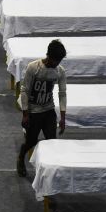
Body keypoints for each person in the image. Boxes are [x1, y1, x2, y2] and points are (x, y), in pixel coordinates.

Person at [16, 39, 67, 177]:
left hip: (48, 109)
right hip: (33, 110)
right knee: (31, 141)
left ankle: (47, 171)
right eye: (54, 60)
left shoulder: (60, 71)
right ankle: (21, 156)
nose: (56, 64)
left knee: (51, 140)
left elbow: (62, 94)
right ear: (48, 56)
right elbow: (25, 90)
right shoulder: (34, 68)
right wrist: (25, 114)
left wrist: (62, 118)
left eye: (59, 61)